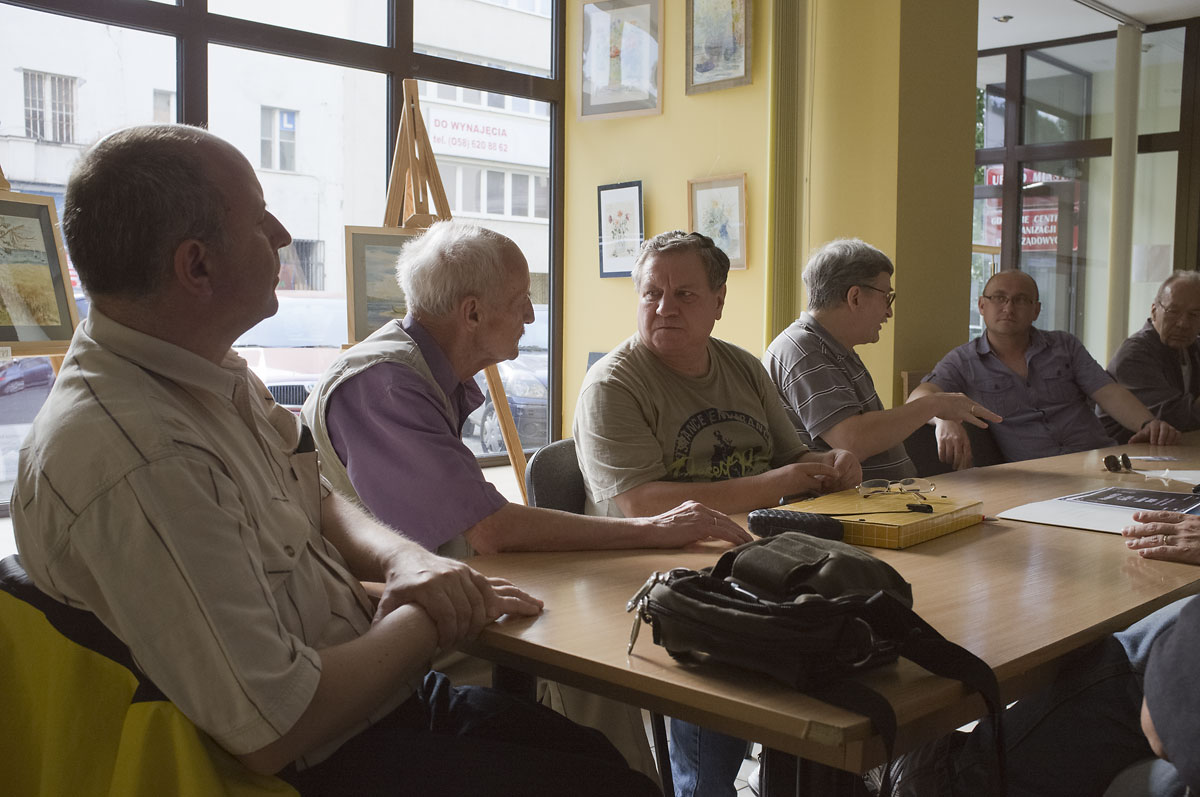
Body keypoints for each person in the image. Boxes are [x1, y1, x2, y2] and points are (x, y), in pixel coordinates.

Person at [11, 124, 659, 795]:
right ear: (196, 266)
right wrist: (431, 608)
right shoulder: (140, 454)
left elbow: (314, 497)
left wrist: (408, 564)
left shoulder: (208, 374)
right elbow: (278, 724)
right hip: (315, 758)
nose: (283, 235)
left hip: (376, 697)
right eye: (260, 218)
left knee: (597, 755)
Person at [300, 219, 749, 780]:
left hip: (422, 600)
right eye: (520, 302)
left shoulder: (419, 372)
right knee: (591, 660)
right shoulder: (385, 384)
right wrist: (653, 529)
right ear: (472, 314)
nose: (532, 317)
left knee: (605, 633)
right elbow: (489, 530)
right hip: (370, 632)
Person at [573, 229, 862, 797]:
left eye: (684, 294)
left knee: (845, 615)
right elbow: (642, 503)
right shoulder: (613, 383)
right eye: (652, 293)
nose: (665, 307)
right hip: (653, 573)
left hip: (749, 554)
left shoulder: (744, 367)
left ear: (718, 302)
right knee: (734, 648)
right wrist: (775, 484)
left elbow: (792, 459)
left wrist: (830, 463)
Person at [764, 238, 1002, 479]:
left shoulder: (833, 347)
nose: (889, 312)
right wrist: (936, 404)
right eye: (886, 297)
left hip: (883, 496)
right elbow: (853, 441)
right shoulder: (803, 350)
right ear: (855, 297)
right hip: (846, 502)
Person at [908, 270, 1181, 468]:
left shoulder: (1064, 346)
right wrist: (943, 419)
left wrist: (1148, 424)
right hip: (1038, 476)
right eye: (999, 298)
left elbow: (1108, 391)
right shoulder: (964, 361)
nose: (1008, 307)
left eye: (1020, 300)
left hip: (1099, 461)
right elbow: (917, 398)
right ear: (982, 305)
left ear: (1036, 310)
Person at [1100, 271, 1200, 442]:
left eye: (1194, 315)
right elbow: (1175, 416)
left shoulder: (1193, 347)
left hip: (1173, 449)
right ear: (1154, 311)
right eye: (1173, 311)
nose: (1183, 323)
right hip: (1122, 452)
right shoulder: (1134, 355)